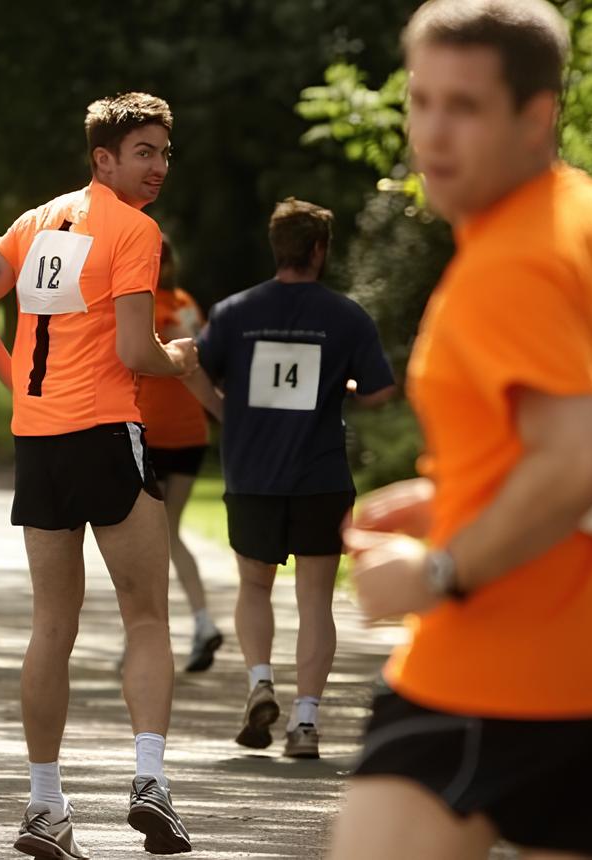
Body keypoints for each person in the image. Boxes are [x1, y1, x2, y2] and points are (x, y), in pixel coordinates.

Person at [329, 2, 592, 858]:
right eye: (420, 101)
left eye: (464, 107)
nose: (433, 133)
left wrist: (441, 570)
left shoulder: (508, 265)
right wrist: (460, 490)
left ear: (537, 117)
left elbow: (585, 458)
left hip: (495, 682)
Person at [0, 91, 198, 858]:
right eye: (144, 152)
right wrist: (179, 360)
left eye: (163, 151)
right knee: (147, 617)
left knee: (51, 626)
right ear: (104, 158)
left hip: (40, 439)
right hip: (104, 435)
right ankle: (150, 781)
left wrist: (16, 376)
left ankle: (44, 806)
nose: (158, 166)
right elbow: (134, 351)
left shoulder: (34, 223)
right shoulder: (135, 229)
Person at [189, 198, 395, 759]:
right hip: (320, 477)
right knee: (315, 601)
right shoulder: (347, 317)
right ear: (319, 249)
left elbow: (192, 367)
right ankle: (305, 721)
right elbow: (379, 390)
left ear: (276, 247)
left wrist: (225, 411)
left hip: (252, 473)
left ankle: (260, 680)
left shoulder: (234, 312)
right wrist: (346, 388)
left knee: (254, 587)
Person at [135, 236, 222, 673]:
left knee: (145, 538)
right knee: (169, 533)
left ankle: (146, 635)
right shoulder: (186, 302)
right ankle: (201, 620)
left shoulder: (142, 305)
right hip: (190, 429)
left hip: (152, 430)